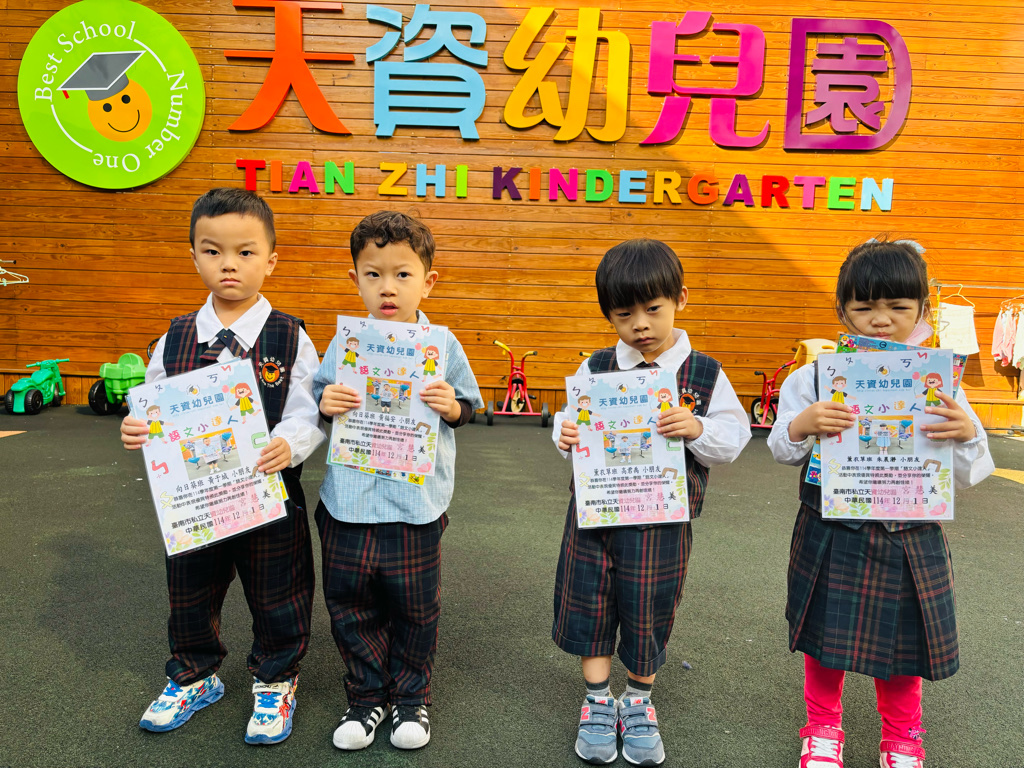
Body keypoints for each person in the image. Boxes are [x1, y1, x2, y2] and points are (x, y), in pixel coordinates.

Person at [767, 238, 994, 768]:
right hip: (831, 528)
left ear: (922, 310)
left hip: (910, 534)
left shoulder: (942, 382)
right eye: (865, 306)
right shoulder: (813, 376)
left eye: (898, 306)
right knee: (824, 641)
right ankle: (823, 729)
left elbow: (969, 473)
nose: (881, 319)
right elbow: (781, 448)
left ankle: (902, 736)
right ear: (842, 309)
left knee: (904, 647)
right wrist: (801, 424)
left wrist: (966, 434)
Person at [120, 188, 323, 745]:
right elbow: (152, 406)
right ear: (194, 257)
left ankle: (276, 677)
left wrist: (289, 444)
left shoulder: (290, 336)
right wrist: (137, 427)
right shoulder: (175, 337)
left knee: (279, 591)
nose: (228, 264)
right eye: (213, 251)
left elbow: (307, 410)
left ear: (271, 260)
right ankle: (194, 673)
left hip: (269, 496)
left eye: (245, 252)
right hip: (196, 500)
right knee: (189, 590)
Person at [552, 239, 751, 766]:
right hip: (595, 516)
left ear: (680, 298)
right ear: (608, 315)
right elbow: (568, 422)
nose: (640, 324)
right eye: (624, 314)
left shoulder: (704, 373)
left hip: (662, 523)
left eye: (653, 309)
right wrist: (565, 433)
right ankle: (598, 701)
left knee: (649, 606)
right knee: (589, 601)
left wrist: (697, 427)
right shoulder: (596, 367)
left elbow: (733, 438)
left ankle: (638, 700)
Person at [313, 210, 483, 752]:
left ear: (428, 281)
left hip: (415, 506)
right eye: (373, 274)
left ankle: (410, 698)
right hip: (348, 504)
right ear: (356, 279)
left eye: (402, 274)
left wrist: (451, 406)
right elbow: (318, 398)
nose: (388, 287)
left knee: (415, 607)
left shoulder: (442, 344)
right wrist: (326, 401)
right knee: (350, 605)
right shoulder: (346, 343)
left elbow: (470, 407)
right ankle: (367, 697)